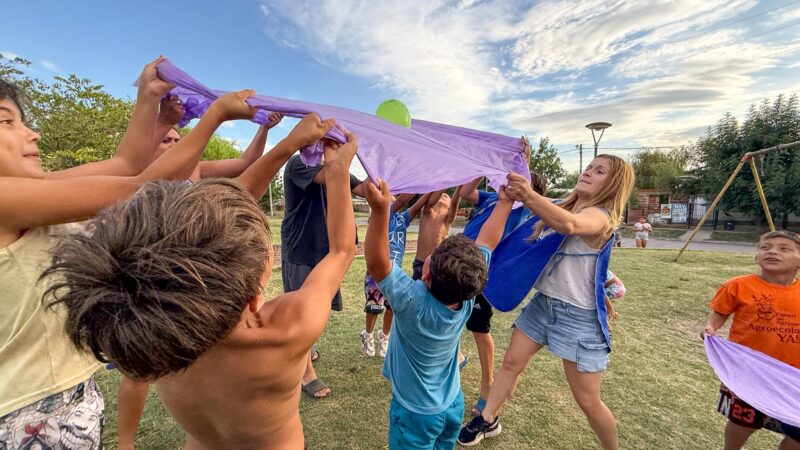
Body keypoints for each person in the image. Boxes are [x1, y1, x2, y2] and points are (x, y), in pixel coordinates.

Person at [43, 114, 359, 450]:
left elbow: (207, 222)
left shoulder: (156, 333)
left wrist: (287, 146)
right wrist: (338, 171)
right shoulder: (287, 329)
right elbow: (341, 250)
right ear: (254, 296)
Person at [0, 57, 256, 449]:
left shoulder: (37, 191)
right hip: (27, 413)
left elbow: (125, 166)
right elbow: (138, 185)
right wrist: (215, 115)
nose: (32, 134)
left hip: (62, 398)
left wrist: (147, 100)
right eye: (7, 121)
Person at [115, 103, 284, 449]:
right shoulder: (143, 188)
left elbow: (245, 163)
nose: (176, 144)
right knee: (140, 371)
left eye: (179, 138)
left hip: (200, 276)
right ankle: (126, 442)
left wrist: (265, 129)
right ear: (148, 151)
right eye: (166, 140)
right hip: (157, 277)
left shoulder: (197, 170)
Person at [458, 155, 635, 449]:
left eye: (599, 171)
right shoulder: (567, 203)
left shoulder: (601, 216)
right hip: (544, 304)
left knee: (588, 401)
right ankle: (488, 418)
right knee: (511, 363)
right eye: (589, 167)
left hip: (579, 316)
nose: (589, 172)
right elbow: (549, 208)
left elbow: (568, 224)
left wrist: (528, 194)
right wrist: (520, 172)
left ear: (614, 183)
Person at [364, 176, 512, 450]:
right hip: (452, 404)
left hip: (415, 413)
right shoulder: (469, 292)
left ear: (427, 271)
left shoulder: (412, 301)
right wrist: (505, 202)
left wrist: (380, 210)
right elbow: (489, 240)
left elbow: (375, 263)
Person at [281, 138, 366, 399]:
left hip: (325, 250)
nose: (327, 146)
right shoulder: (298, 164)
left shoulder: (337, 166)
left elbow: (363, 189)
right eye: (323, 142)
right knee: (301, 314)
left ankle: (307, 349)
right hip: (300, 248)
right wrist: (341, 155)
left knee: (316, 307)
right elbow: (332, 175)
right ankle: (305, 374)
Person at [459, 167, 546, 416]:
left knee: (478, 328)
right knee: (445, 311)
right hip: (459, 264)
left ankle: (487, 386)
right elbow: (466, 191)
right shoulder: (492, 198)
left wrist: (524, 164)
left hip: (484, 271)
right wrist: (479, 167)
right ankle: (458, 357)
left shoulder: (525, 210)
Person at [703, 230, 800, 450]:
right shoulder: (738, 285)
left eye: (784, 248)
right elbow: (719, 312)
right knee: (743, 421)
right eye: (765, 247)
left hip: (793, 376)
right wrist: (711, 327)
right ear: (757, 255)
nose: (773, 251)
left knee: (797, 431)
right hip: (748, 372)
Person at [360, 193, 429, 357]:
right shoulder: (385, 214)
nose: (391, 197)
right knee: (374, 307)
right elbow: (404, 199)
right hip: (377, 271)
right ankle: (368, 335)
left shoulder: (402, 219)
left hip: (394, 272)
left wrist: (433, 187)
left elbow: (417, 205)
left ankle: (384, 337)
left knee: (392, 306)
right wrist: (419, 181)